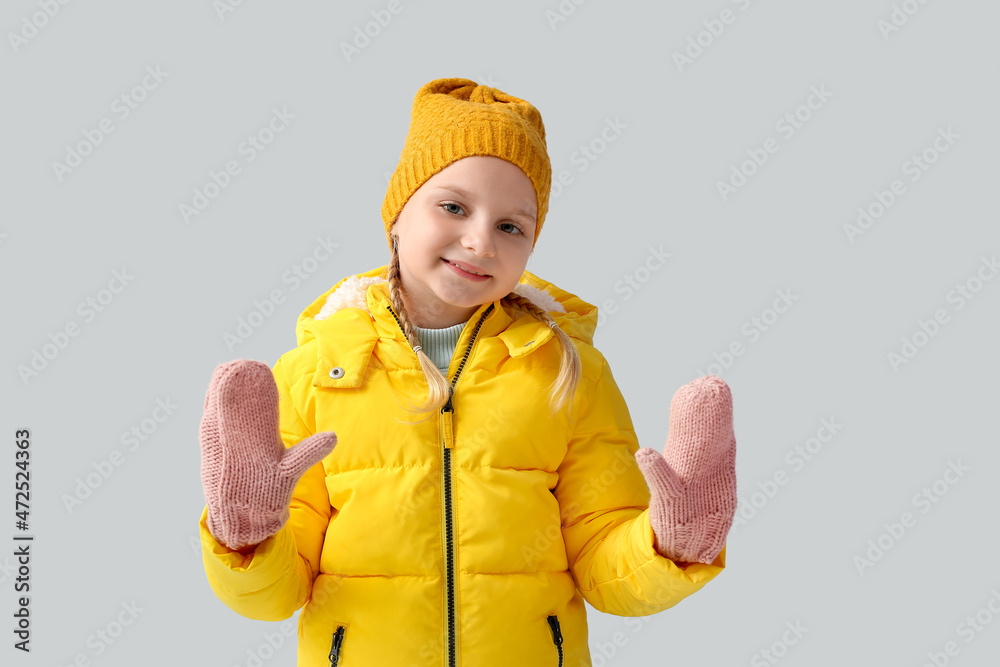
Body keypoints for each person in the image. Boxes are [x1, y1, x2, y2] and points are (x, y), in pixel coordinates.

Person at [197, 77, 738, 667]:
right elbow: (276, 598)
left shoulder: (567, 371)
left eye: (511, 226)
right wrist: (247, 537)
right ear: (397, 217)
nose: (480, 240)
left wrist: (670, 545)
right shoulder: (313, 375)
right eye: (453, 206)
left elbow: (605, 566)